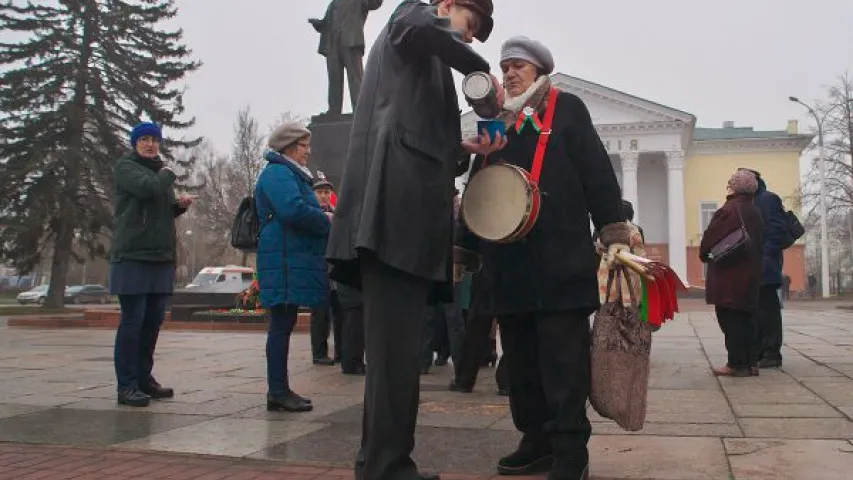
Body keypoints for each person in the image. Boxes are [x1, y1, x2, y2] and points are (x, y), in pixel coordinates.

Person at [325, 1, 502, 479]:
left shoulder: (426, 59)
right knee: (392, 361)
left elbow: (427, 143)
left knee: (398, 360)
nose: (466, 40)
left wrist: (462, 152)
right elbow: (421, 25)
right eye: (468, 27)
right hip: (392, 217)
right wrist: (482, 71)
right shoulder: (412, 17)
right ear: (446, 5)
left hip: (407, 222)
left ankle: (386, 461)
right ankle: (385, 466)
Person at [455, 37, 629, 480]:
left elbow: (596, 171)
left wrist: (612, 228)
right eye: (505, 66)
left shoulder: (566, 109)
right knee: (521, 362)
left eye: (519, 66)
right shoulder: (496, 122)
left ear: (539, 71)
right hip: (508, 265)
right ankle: (535, 441)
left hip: (559, 262)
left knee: (563, 363)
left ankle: (571, 451)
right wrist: (465, 246)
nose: (510, 73)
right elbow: (480, 186)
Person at [111, 122, 194, 407]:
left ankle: (144, 379)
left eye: (154, 139)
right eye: (144, 139)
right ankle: (127, 385)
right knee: (133, 321)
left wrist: (177, 207)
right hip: (133, 255)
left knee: (153, 322)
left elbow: (157, 208)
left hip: (160, 257)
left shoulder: (157, 173)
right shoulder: (127, 168)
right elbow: (146, 190)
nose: (150, 144)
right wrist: (168, 174)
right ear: (135, 143)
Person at [256, 122, 331, 413]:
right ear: (289, 148)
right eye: (303, 146)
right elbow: (292, 210)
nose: (308, 152)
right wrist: (324, 219)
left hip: (286, 256)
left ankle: (280, 389)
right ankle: (277, 391)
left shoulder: (288, 174)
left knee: (283, 325)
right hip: (282, 258)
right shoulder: (278, 173)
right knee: (280, 326)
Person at [699, 170, 765, 377]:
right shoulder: (754, 210)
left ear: (733, 187)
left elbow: (711, 238)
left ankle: (736, 364)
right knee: (747, 318)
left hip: (730, 276)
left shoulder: (730, 209)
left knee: (730, 318)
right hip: (750, 273)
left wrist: (704, 254)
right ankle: (750, 362)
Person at [740, 168, 788, 368]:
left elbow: (777, 229)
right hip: (753, 263)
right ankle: (759, 350)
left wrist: (764, 254)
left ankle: (772, 352)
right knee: (755, 308)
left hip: (765, 264)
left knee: (768, 309)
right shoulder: (749, 201)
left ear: (753, 181)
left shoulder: (768, 200)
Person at [309, 0, 384, 116]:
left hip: (351, 42)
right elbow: (326, 23)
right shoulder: (334, 3)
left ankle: (360, 109)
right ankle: (334, 110)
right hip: (332, 44)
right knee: (334, 79)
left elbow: (375, 3)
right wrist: (319, 24)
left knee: (355, 78)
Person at [310, 173, 343, 366]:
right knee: (321, 314)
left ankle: (341, 351)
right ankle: (319, 352)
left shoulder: (336, 214)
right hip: (317, 268)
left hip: (334, 269)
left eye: (327, 192)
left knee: (340, 312)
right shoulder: (310, 213)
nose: (323, 195)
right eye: (320, 192)